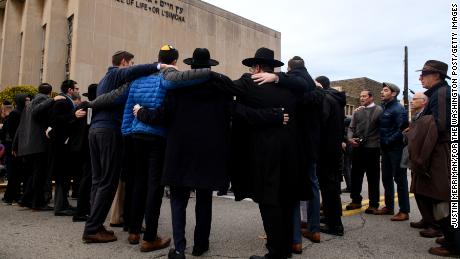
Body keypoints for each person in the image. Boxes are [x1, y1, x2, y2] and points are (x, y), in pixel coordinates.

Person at [217, 47, 311, 259]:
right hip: (291, 153)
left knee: (270, 202)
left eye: (252, 67)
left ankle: (276, 252)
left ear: (257, 67)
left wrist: (261, 114)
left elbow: (226, 102)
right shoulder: (289, 85)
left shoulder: (249, 82)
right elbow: (307, 85)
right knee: (286, 201)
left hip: (265, 153)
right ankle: (285, 248)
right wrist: (278, 79)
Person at [121, 45, 211, 253]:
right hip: (158, 137)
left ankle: (134, 230)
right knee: (154, 186)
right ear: (175, 61)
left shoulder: (138, 80)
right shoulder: (169, 81)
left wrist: (127, 133)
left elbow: (128, 111)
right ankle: (150, 237)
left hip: (136, 135)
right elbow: (169, 111)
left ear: (158, 58)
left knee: (138, 183)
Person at [82, 50, 168, 243]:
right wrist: (160, 66)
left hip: (95, 130)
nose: (131, 66)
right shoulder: (116, 73)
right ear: (123, 62)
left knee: (98, 181)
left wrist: (87, 106)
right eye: (131, 63)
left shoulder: (105, 79)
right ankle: (92, 228)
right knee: (108, 181)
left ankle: (95, 223)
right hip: (108, 130)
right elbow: (135, 74)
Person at [409, 60, 457, 256]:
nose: (421, 77)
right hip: (438, 150)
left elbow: (440, 126)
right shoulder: (438, 94)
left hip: (440, 152)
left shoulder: (443, 93)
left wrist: (423, 157)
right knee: (439, 197)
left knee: (442, 199)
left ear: (436, 75)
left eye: (425, 74)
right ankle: (450, 237)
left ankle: (454, 245)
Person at [13, 83, 65, 210]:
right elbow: (37, 111)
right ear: (50, 92)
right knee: (40, 175)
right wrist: (53, 99)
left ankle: (26, 200)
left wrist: (16, 145)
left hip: (29, 145)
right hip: (39, 145)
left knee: (34, 174)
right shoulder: (43, 100)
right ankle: (37, 203)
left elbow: (21, 126)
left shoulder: (29, 104)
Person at [315, 76, 347, 236]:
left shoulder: (326, 99)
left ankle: (334, 225)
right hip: (333, 148)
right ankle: (331, 218)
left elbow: (321, 121)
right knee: (331, 187)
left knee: (329, 188)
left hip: (326, 150)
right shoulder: (336, 98)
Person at [374, 82, 409, 221]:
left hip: (396, 149)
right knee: (386, 177)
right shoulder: (383, 107)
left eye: (386, 90)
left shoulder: (398, 109)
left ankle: (404, 211)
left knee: (400, 179)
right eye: (382, 90)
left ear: (393, 93)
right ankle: (389, 207)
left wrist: (388, 141)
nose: (382, 92)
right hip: (386, 149)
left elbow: (402, 130)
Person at [47, 80, 81, 216]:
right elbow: (56, 119)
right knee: (62, 175)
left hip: (63, 143)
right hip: (62, 144)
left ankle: (63, 204)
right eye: (76, 88)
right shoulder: (62, 101)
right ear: (70, 90)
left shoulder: (66, 101)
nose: (78, 90)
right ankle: (60, 207)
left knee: (65, 175)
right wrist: (74, 115)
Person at [345, 90, 382, 214]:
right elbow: (351, 127)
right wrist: (350, 138)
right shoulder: (358, 111)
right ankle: (355, 200)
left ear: (371, 97)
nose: (361, 98)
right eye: (360, 96)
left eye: (364, 96)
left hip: (373, 148)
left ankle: (373, 204)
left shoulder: (379, 110)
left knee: (373, 177)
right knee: (356, 176)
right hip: (358, 148)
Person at [3, 94, 30, 205]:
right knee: (15, 173)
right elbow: (12, 131)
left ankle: (9, 196)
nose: (28, 102)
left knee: (17, 173)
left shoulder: (24, 112)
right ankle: (13, 196)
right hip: (14, 147)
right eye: (26, 100)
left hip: (19, 146)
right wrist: (15, 146)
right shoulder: (15, 113)